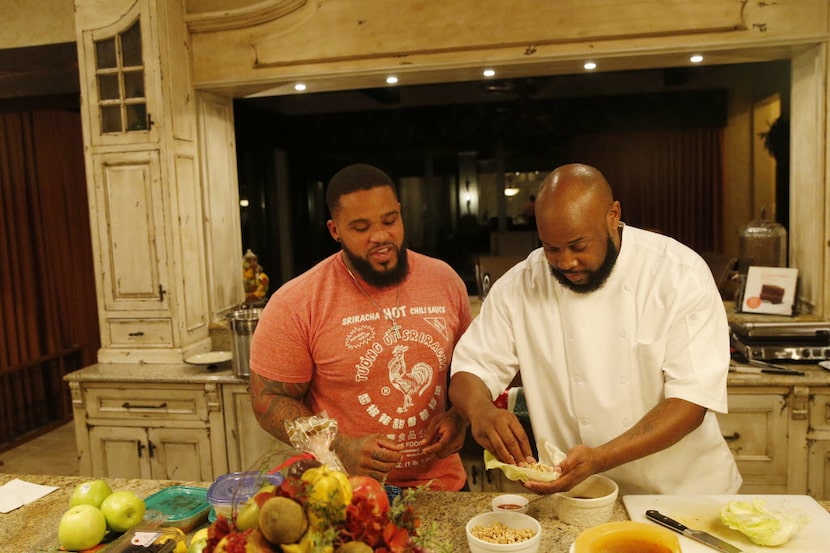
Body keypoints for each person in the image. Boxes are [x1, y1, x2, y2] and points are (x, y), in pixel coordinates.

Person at [449, 163, 742, 496]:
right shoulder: (520, 284)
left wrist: (601, 457)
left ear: (612, 215)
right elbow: (470, 369)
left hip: (681, 494)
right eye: (551, 249)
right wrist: (480, 410)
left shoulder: (678, 273)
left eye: (578, 246)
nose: (565, 262)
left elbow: (691, 403)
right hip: (579, 497)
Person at [249, 163, 473, 490]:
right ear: (335, 230)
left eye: (389, 221)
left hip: (444, 488)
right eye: (361, 227)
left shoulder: (445, 281)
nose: (380, 236)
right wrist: (338, 445)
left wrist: (459, 417)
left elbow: (470, 371)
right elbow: (267, 399)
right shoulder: (297, 302)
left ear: (400, 212)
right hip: (341, 493)